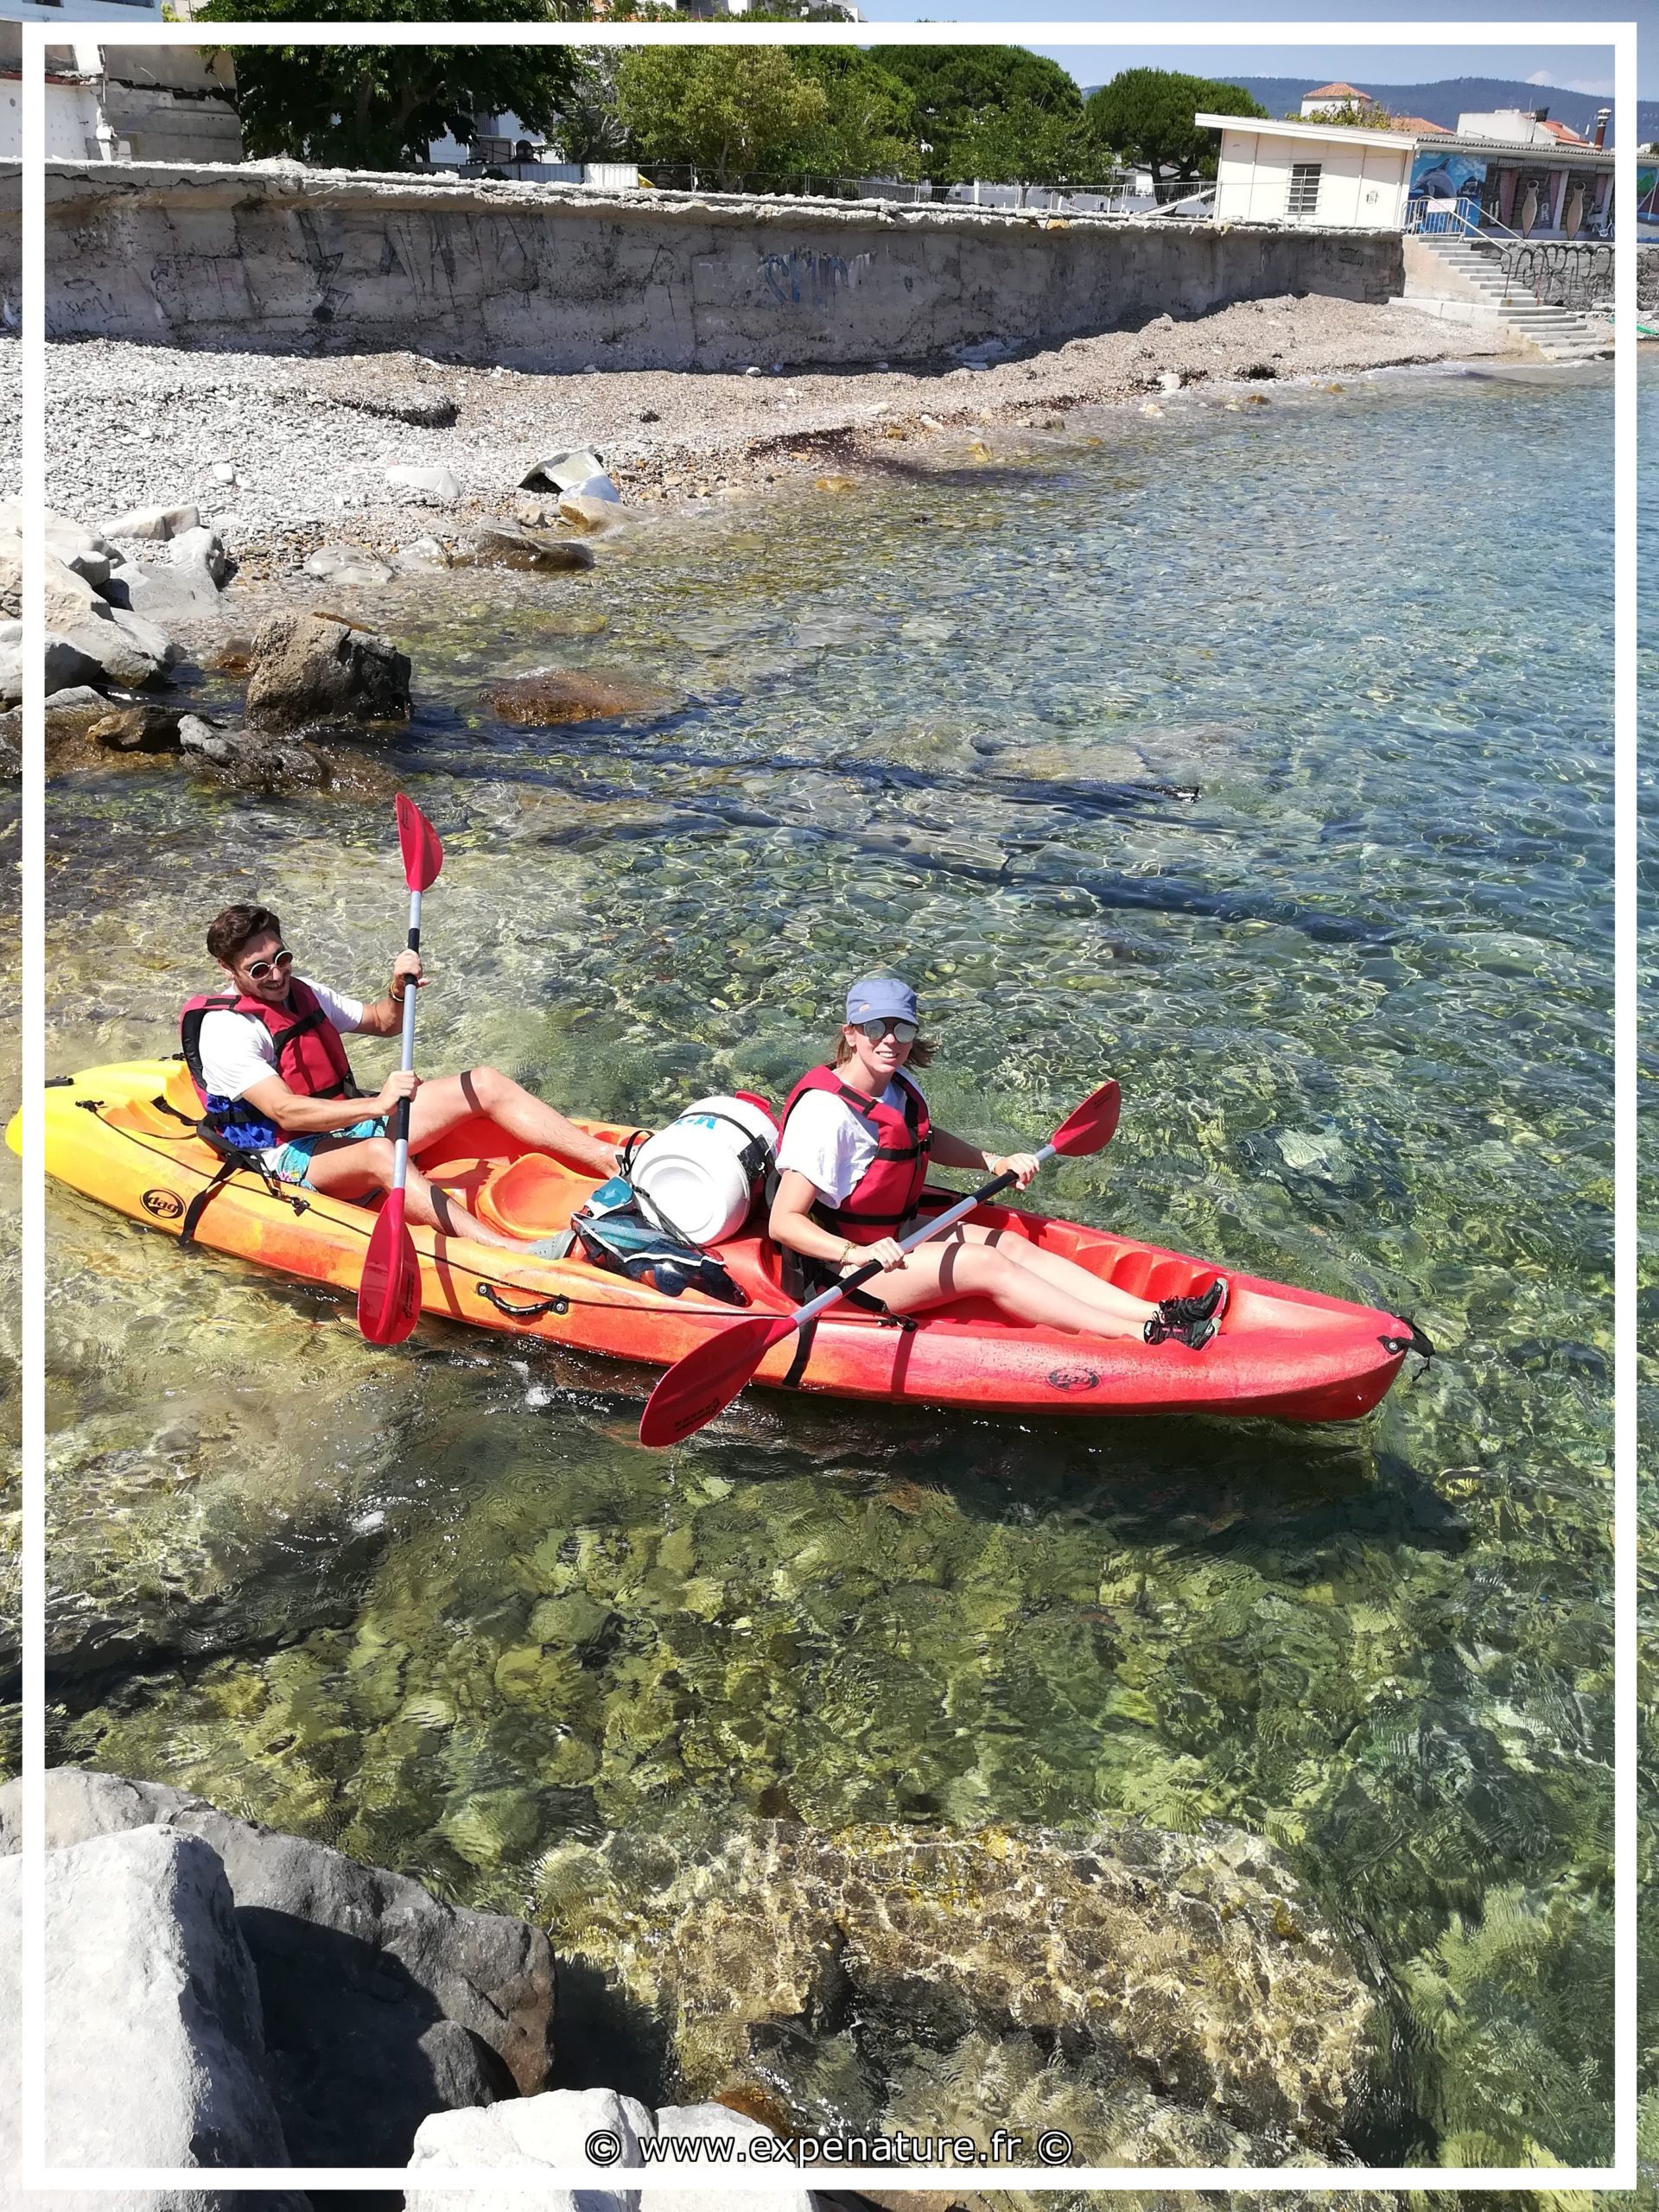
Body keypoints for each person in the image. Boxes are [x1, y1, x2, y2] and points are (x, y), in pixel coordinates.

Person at [768, 976, 1227, 1349]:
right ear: (850, 1033)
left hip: (895, 1234)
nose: (890, 1041)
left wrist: (992, 1161)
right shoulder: (826, 1114)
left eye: (902, 1029)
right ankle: (1141, 1335)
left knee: (1009, 1245)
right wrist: (857, 1253)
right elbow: (784, 1222)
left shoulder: (898, 1083)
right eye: (875, 1028)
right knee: (983, 1263)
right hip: (845, 1270)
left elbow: (922, 1139)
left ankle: (1159, 1312)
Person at [181, 904, 627, 1254]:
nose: (277, 974)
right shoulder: (228, 1031)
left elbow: (382, 1021)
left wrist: (397, 989)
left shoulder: (305, 992)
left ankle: (611, 1160)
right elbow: (285, 1111)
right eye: (259, 968)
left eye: (281, 958)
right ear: (228, 969)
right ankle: (504, 1250)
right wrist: (377, 1106)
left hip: (343, 1125)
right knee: (381, 1153)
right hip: (285, 1153)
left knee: (483, 1082)